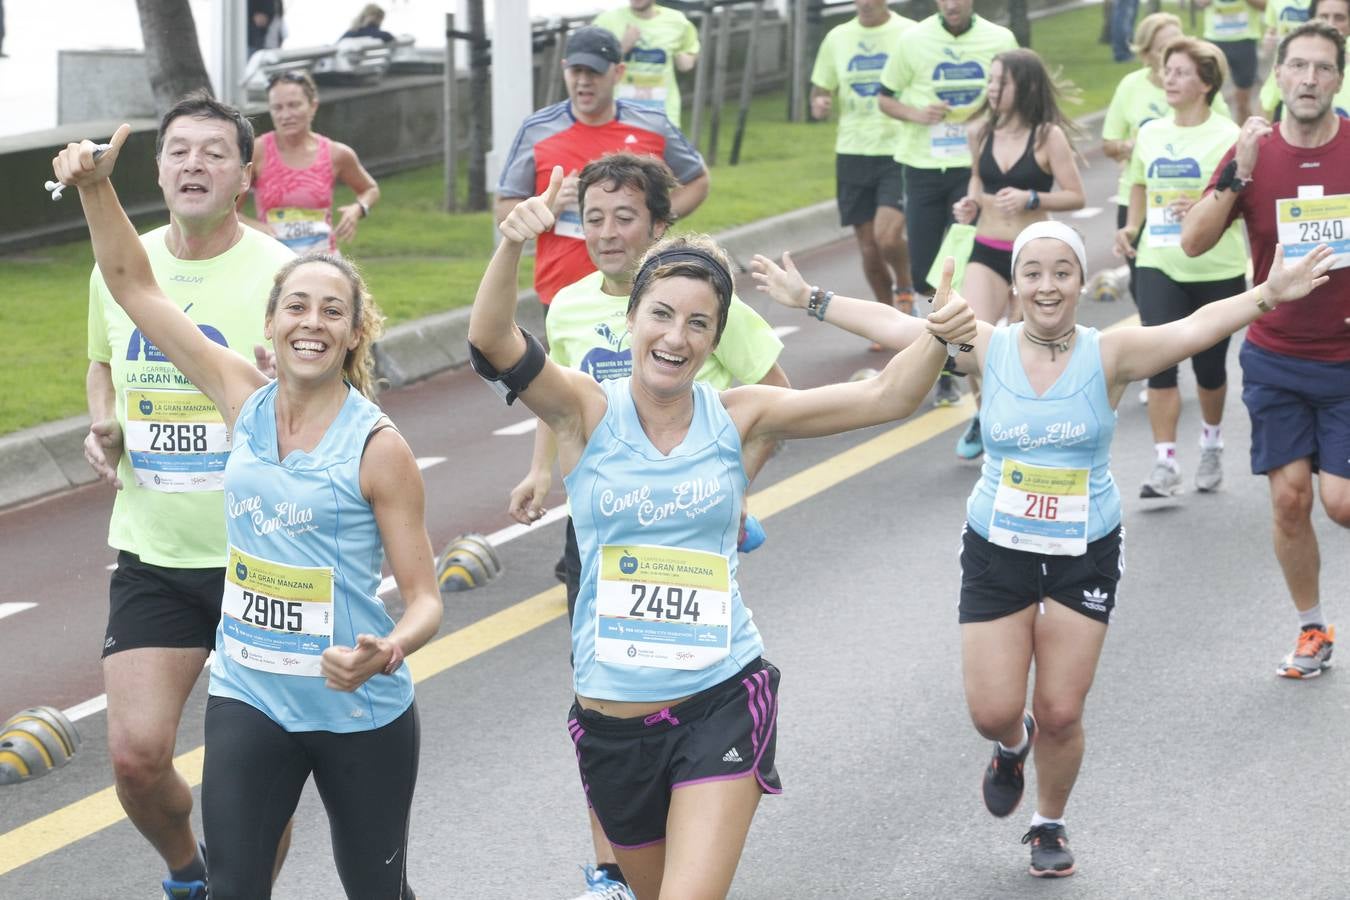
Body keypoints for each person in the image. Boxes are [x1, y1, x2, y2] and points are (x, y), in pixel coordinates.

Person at [752, 220, 1332, 877]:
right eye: (1033, 272)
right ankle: (1010, 742)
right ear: (1016, 285)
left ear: (1082, 283)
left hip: (1084, 548)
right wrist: (809, 300)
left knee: (1060, 710)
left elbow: (1193, 328)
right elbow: (892, 327)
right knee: (992, 709)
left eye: (1062, 271)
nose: (1047, 285)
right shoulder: (984, 346)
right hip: (998, 545)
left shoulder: (1109, 354)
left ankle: (1048, 822)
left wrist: (1270, 293)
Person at [471, 167, 977, 899]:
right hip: (613, 722)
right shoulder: (584, 410)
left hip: (719, 699)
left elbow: (887, 393)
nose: (676, 338)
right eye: (663, 315)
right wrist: (510, 247)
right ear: (633, 319)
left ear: (714, 338)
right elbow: (490, 337)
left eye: (698, 323)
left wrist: (938, 333)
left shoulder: (740, 413)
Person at [56, 123, 444, 900]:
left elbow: (427, 596)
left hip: (355, 706)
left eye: (332, 312)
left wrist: (389, 648)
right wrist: (96, 187)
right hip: (251, 692)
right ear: (268, 326)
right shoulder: (240, 397)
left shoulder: (379, 448)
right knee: (235, 888)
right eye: (296, 307)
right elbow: (134, 285)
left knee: (375, 891)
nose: (311, 322)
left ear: (354, 333)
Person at [507, 152, 787, 900]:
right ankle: (612, 865)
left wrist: (724, 484)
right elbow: (557, 401)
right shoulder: (567, 306)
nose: (605, 231)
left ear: (660, 225)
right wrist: (544, 472)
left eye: (623, 217)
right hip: (601, 526)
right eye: (591, 217)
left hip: (690, 542)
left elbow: (778, 400)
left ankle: (646, 843)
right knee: (611, 668)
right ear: (633, 317)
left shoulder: (710, 302)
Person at [78, 92, 294, 900]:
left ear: (243, 175)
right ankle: (188, 875)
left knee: (254, 778)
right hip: (157, 551)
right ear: (160, 168)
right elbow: (103, 362)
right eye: (179, 150)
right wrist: (105, 424)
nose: (194, 162)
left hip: (264, 560)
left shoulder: (282, 274)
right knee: (135, 758)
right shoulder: (118, 261)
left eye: (214, 151)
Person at [1182, 20, 1350, 679]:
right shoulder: (1248, 152)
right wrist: (1237, 177)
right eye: (1298, 67)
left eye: (1322, 69)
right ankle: (1313, 629)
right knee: (1289, 500)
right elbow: (1193, 242)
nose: (1309, 79)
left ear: (1338, 80)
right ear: (1278, 75)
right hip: (1276, 356)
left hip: (1347, 363)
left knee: (1340, 501)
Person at [1113, 38, 1247, 498]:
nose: (1168, 78)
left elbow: (1245, 200)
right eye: (1167, 70)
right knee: (1160, 364)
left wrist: (1210, 207)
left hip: (1216, 267)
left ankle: (1211, 442)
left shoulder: (1230, 136)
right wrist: (1131, 229)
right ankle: (1164, 462)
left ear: (1207, 83)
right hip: (1158, 262)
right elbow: (1136, 182)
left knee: (1210, 370)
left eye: (1181, 72)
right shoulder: (1150, 132)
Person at [496, 25, 710, 307]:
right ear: (564, 69)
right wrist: (549, 206)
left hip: (640, 289)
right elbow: (504, 209)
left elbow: (698, 180)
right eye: (576, 71)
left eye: (594, 72)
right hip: (564, 293)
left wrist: (654, 217)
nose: (584, 81)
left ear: (618, 73)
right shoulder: (537, 130)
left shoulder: (652, 124)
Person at [877, 0, 1016, 404]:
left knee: (969, 265)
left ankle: (964, 359)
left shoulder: (999, 38)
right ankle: (941, 351)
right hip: (921, 166)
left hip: (972, 167)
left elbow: (1016, 95)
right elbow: (885, 98)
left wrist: (984, 115)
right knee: (925, 270)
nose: (952, 4)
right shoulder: (912, 39)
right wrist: (916, 114)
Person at [950, 48, 1085, 459]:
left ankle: (1028, 423)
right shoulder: (980, 133)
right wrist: (969, 205)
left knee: (1023, 344)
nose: (992, 89)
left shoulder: (1048, 137)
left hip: (1032, 256)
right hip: (987, 247)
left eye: (1001, 82)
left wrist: (1031, 196)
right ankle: (985, 413)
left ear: (1023, 86)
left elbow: (1075, 195)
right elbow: (978, 180)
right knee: (968, 336)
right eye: (990, 81)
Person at [809, 0, 917, 351]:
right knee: (869, 248)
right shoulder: (837, 37)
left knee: (888, 238)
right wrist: (820, 103)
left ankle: (904, 289)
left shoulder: (908, 33)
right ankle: (886, 320)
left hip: (897, 149)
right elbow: (821, 88)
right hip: (853, 151)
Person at [1103, 13, 1232, 304]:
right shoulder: (1131, 87)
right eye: (1164, 48)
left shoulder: (1215, 111)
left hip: (1195, 206)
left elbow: (1226, 150)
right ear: (1147, 54)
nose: (1171, 75)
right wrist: (1128, 145)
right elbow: (1109, 144)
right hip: (1144, 203)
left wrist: (1206, 203)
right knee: (1148, 294)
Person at [240, 70, 381, 256]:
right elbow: (229, 211)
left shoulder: (336, 154)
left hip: (322, 261)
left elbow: (370, 189)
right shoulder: (257, 152)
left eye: (294, 105)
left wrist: (358, 209)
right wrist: (257, 227)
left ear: (312, 106)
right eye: (278, 107)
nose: (286, 115)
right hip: (274, 262)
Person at [594, 0, 700, 125]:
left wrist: (681, 54)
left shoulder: (677, 21)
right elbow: (593, 66)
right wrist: (623, 48)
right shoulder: (607, 21)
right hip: (618, 115)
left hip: (662, 116)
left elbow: (687, 61)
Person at [1260, 0, 1350, 116]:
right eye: (1323, 17)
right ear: (1312, 20)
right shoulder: (1291, 61)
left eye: (1339, 18)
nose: (1330, 24)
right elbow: (1266, 104)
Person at [1196, 0, 1265, 120]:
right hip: (1215, 40)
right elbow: (1201, 3)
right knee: (1204, 99)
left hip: (1244, 41)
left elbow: (1264, 6)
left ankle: (1242, 136)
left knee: (1242, 104)